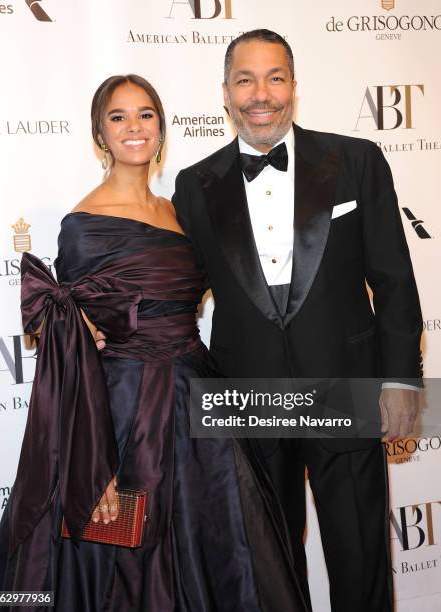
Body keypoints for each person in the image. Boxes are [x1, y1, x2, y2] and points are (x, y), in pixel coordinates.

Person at [0, 74, 308, 612]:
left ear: (161, 129)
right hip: (124, 408)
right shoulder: (85, 225)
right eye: (118, 117)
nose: (133, 127)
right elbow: (71, 353)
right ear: (99, 135)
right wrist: (92, 463)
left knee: (224, 546)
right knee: (125, 559)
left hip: (197, 399)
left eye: (145, 115)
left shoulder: (177, 212)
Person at [172, 30, 423, 612]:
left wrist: (402, 378)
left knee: (360, 552)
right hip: (249, 396)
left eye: (275, 77)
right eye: (245, 79)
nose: (262, 94)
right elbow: (179, 288)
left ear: (294, 86)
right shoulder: (194, 184)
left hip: (346, 385)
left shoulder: (356, 159)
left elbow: (393, 279)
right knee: (270, 563)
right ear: (225, 93)